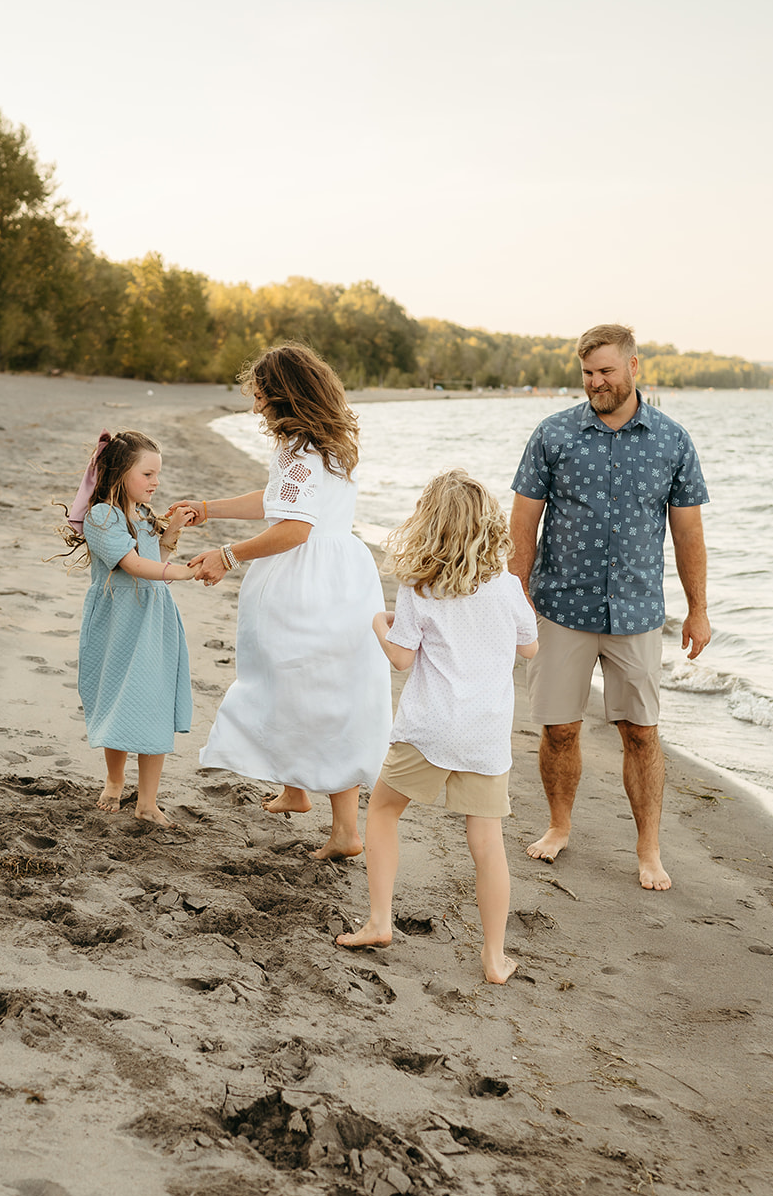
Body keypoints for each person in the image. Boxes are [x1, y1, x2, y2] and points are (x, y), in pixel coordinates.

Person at [509, 324, 710, 891]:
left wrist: (698, 610)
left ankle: (649, 849)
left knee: (642, 733)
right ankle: (558, 827)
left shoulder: (673, 441)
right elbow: (524, 518)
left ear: (634, 368)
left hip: (637, 612)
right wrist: (515, 592)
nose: (597, 382)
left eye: (606, 371)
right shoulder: (553, 434)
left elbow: (688, 531)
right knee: (559, 730)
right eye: (588, 374)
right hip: (559, 607)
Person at [171, 344, 391, 861]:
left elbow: (293, 527)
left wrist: (228, 553)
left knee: (304, 685)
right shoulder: (330, 443)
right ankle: (296, 789)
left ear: (283, 396)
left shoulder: (301, 450)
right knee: (321, 684)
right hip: (345, 576)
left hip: (308, 580)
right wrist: (210, 508)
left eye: (259, 397)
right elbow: (279, 500)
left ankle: (345, 831)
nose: (255, 408)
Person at [336, 470, 538, 983]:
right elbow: (530, 647)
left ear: (430, 525)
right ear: (488, 528)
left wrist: (379, 623)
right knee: (487, 844)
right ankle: (494, 958)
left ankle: (380, 920)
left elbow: (401, 658)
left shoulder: (419, 587)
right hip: (485, 735)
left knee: (382, 811)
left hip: (430, 728)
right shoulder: (508, 586)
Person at [61, 430, 196, 828]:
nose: (156, 482)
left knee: (153, 703)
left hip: (154, 619)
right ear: (120, 473)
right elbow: (133, 565)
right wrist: (185, 572)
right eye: (148, 474)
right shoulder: (103, 516)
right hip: (120, 622)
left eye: (158, 475)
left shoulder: (144, 516)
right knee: (121, 699)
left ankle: (148, 801)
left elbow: (154, 561)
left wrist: (169, 536)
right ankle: (115, 780)